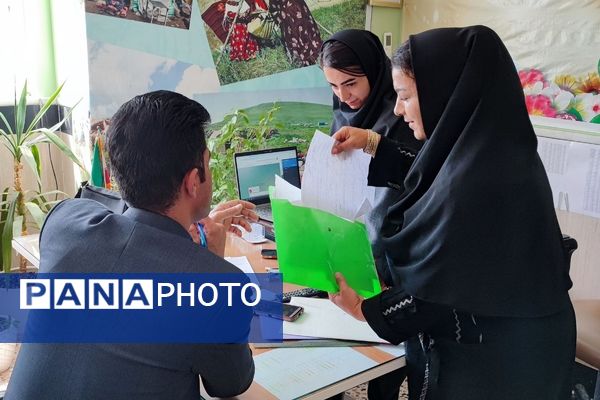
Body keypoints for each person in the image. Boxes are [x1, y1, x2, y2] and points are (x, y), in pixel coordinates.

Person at [329, 25, 576, 400]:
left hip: (497, 364)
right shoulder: (486, 148)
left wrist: (367, 310)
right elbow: (423, 176)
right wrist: (375, 143)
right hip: (507, 340)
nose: (397, 110)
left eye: (406, 96)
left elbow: (436, 290)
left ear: (446, 92)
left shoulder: (479, 181)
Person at [6, 91, 259, 400]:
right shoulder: (216, 287)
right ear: (194, 181)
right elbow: (230, 384)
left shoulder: (64, 222)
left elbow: (108, 210)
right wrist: (207, 261)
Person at [319, 29, 422, 400]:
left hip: (393, 251)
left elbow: (417, 176)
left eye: (351, 83)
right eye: (333, 86)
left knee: (389, 355)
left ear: (375, 71)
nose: (344, 96)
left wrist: (374, 143)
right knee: (346, 345)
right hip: (352, 242)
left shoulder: (404, 114)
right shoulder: (342, 113)